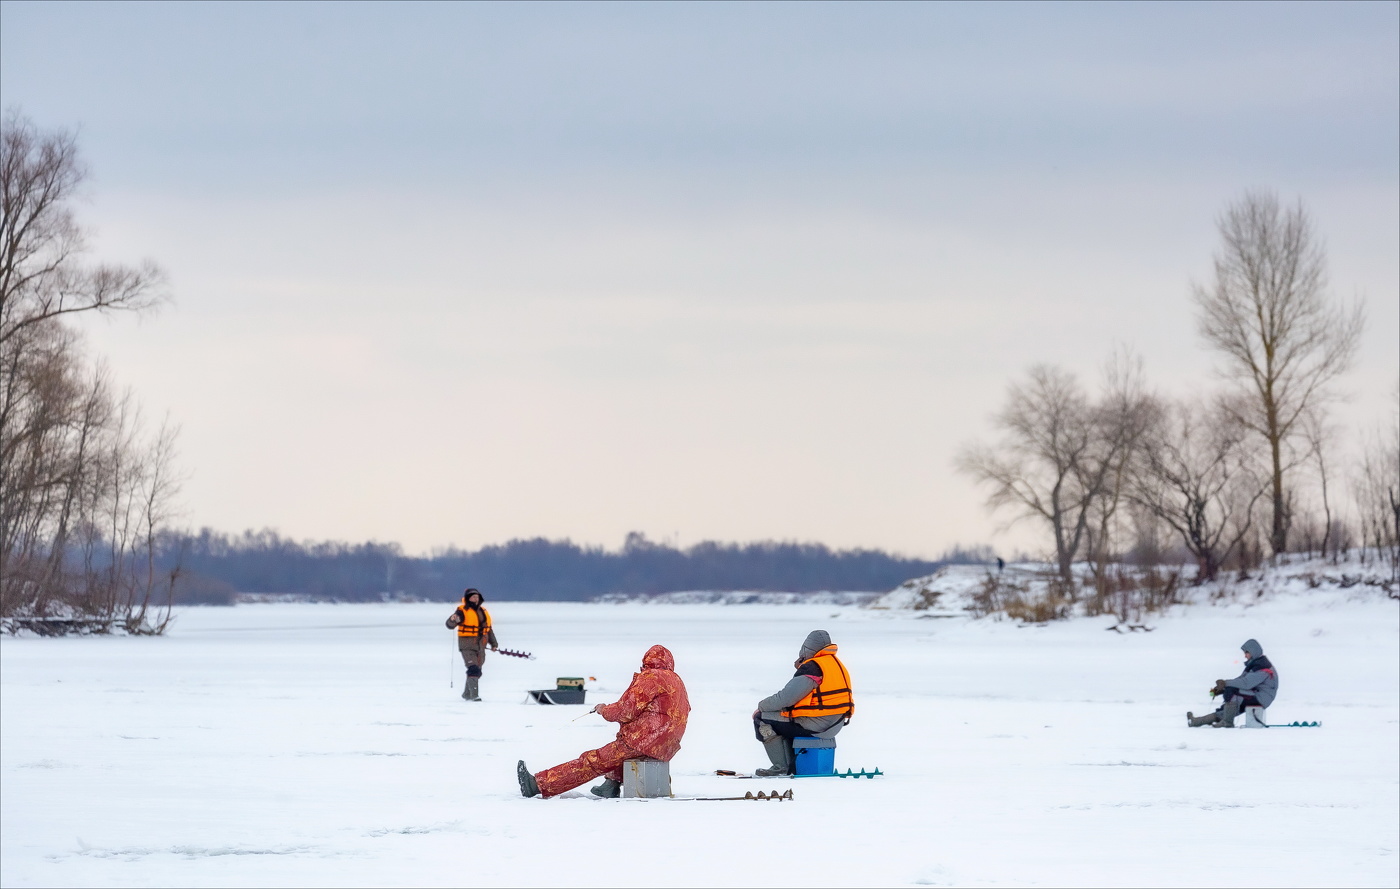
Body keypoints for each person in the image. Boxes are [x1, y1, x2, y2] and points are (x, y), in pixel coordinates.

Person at [517, 644, 689, 799]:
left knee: (593, 761)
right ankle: (610, 786)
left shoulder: (652, 677)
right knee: (623, 753)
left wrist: (604, 710)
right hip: (667, 744)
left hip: (644, 738)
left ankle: (538, 785)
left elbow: (625, 710)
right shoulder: (676, 680)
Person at [751, 629, 853, 776]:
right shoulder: (835, 664)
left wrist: (761, 707)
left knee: (762, 718)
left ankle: (781, 767)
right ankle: (793, 764)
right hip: (835, 723)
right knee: (783, 719)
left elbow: (786, 698)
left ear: (806, 649)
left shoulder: (812, 667)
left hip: (816, 725)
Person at [1188, 638, 1279, 727]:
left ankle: (1227, 722)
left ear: (1253, 651)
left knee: (1231, 692)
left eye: (1246, 652)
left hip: (1261, 698)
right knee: (1229, 700)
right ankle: (1197, 722)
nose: (1245, 655)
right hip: (1256, 694)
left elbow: (1246, 683)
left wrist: (1226, 683)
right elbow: (1241, 680)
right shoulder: (1256, 664)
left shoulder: (1262, 667)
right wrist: (1222, 689)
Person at [444, 588, 498, 702]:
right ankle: (474, 696)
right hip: (467, 645)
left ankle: (466, 694)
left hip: (480, 645)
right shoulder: (461, 611)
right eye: (473, 597)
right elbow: (450, 624)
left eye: (477, 597)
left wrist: (493, 644)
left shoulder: (483, 611)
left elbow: (488, 630)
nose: (475, 598)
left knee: (477, 671)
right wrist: (452, 620)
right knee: (473, 669)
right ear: (468, 598)